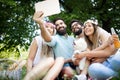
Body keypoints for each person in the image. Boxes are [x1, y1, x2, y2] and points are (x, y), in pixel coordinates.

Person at [33, 11, 75, 79]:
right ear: (56, 28)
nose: (60, 26)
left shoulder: (73, 39)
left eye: (61, 23)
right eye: (57, 25)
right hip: (64, 65)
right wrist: (41, 24)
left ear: (65, 25)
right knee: (68, 72)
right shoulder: (55, 38)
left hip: (77, 62)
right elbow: (47, 38)